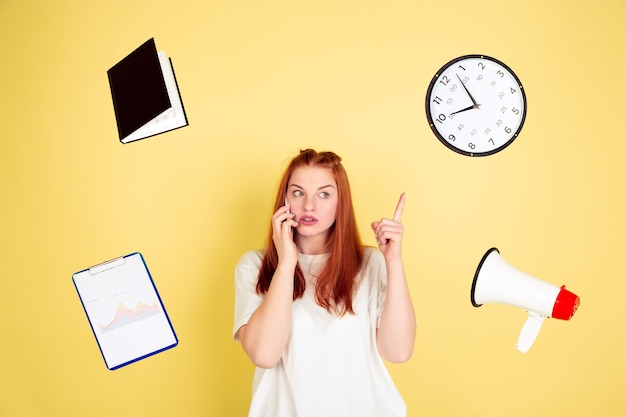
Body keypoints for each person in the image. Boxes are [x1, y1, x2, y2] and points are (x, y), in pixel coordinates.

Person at [233, 149, 416, 417]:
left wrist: (394, 262)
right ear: (284, 200)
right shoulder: (255, 266)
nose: (309, 205)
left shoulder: (370, 263)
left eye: (324, 194)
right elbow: (265, 355)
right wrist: (286, 263)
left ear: (340, 203)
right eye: (298, 192)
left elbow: (398, 351)